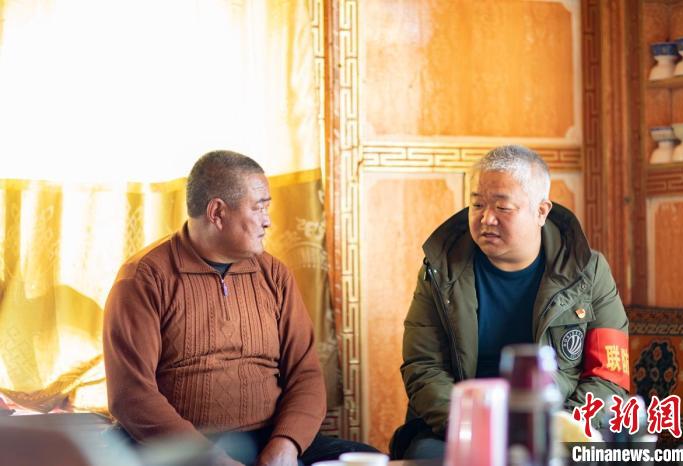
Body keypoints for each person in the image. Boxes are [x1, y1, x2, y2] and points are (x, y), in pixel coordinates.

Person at [103, 150, 377, 466]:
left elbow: (306, 374)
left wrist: (286, 445)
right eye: (258, 207)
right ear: (217, 212)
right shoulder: (145, 278)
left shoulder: (274, 274)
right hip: (181, 450)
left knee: (371, 461)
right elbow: (132, 396)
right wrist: (210, 459)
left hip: (267, 439)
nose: (267, 220)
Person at [390, 145, 630, 459]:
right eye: (477, 204)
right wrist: (475, 427)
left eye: (502, 207)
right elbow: (424, 367)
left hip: (559, 423)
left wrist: (559, 428)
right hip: (461, 427)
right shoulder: (440, 269)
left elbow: (608, 375)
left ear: (541, 211)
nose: (486, 218)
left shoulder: (587, 270)